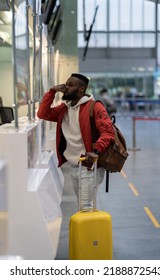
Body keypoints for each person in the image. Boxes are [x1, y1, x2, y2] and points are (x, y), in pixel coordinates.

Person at [37, 73, 115, 210]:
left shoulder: (94, 107)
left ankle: (91, 231)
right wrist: (52, 91)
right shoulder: (65, 108)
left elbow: (108, 132)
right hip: (74, 165)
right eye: (66, 84)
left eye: (70, 85)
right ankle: (88, 230)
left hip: (89, 166)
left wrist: (96, 151)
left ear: (81, 89)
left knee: (85, 207)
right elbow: (42, 114)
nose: (66, 87)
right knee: (83, 205)